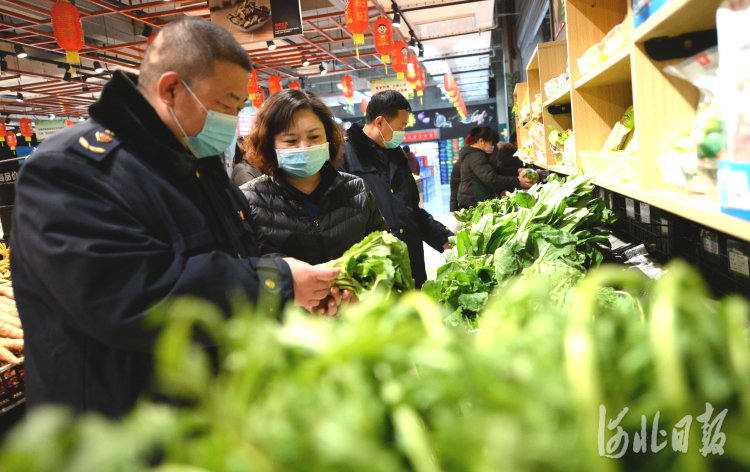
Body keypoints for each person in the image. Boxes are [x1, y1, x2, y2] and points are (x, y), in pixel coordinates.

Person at [9, 18, 344, 419]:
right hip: (119, 434)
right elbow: (129, 296)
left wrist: (298, 295)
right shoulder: (73, 169)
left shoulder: (199, 163)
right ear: (171, 89)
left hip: (205, 420)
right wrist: (275, 284)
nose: (232, 121)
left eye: (239, 108)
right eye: (225, 105)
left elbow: (239, 256)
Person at [240, 89, 389, 268]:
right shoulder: (248, 201)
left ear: (329, 137)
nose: (304, 147)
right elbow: (244, 274)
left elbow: (385, 251)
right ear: (270, 145)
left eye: (314, 137)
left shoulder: (356, 189)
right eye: (290, 140)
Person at [339, 90, 452, 288]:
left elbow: (412, 212)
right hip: (375, 271)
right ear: (380, 122)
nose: (403, 133)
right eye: (402, 126)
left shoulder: (397, 157)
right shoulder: (344, 158)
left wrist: (443, 237)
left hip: (411, 262)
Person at [457, 127, 533, 209]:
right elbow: (491, 179)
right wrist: (517, 181)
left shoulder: (479, 154)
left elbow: (496, 170)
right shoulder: (475, 157)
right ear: (481, 141)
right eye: (491, 144)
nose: (493, 147)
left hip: (475, 199)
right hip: (472, 202)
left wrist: (516, 171)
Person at [450, 127, 483, 213]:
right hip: (468, 204)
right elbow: (454, 185)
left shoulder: (485, 159)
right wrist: (454, 208)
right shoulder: (460, 164)